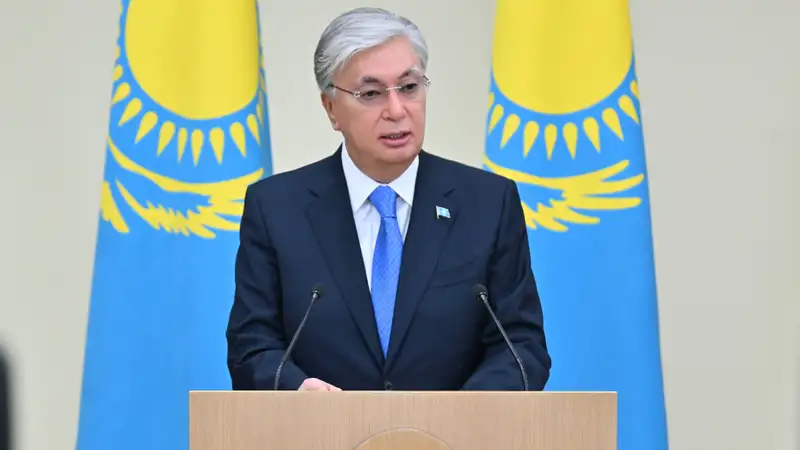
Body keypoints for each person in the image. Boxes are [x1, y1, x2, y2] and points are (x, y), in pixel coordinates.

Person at [225, 7, 551, 392]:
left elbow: (521, 346)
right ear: (331, 108)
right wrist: (297, 391)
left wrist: (464, 411)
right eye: (371, 93)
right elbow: (251, 346)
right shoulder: (277, 209)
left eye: (409, 87)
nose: (397, 111)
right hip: (319, 426)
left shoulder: (488, 204)